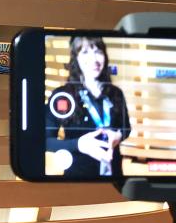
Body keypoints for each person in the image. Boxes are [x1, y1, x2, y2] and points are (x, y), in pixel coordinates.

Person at [45, 36, 131, 179]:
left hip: (114, 174)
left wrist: (118, 136)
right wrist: (78, 144)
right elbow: (45, 141)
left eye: (98, 52)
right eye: (85, 52)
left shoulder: (115, 92)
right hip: (78, 177)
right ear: (75, 58)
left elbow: (126, 127)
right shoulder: (63, 95)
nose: (94, 59)